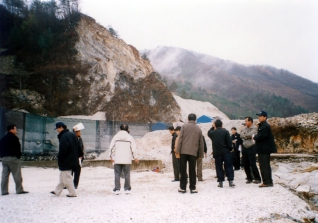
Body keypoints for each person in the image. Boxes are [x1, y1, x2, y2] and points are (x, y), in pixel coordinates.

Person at [175, 113, 204, 194]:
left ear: (188, 119)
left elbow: (180, 138)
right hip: (193, 152)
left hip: (183, 152)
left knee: (183, 170)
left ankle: (183, 188)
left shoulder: (184, 126)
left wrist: (178, 150)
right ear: (195, 119)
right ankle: (192, 188)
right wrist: (200, 154)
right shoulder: (198, 129)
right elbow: (201, 142)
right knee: (192, 170)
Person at [51, 122, 80, 197]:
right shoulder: (72, 135)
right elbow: (77, 146)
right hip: (73, 159)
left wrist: (59, 157)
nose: (57, 130)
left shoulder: (64, 136)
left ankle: (72, 193)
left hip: (66, 160)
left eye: (57, 128)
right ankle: (57, 191)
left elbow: (63, 149)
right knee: (62, 176)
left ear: (61, 127)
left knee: (66, 177)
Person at [110, 124, 139, 195]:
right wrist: (136, 157)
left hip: (117, 159)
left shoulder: (116, 137)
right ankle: (127, 189)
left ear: (120, 129)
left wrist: (111, 157)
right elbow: (133, 149)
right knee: (127, 174)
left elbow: (111, 148)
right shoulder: (130, 137)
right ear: (127, 130)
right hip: (127, 159)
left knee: (117, 174)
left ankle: (117, 189)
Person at [0, 125, 28, 195]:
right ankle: (19, 190)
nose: (16, 131)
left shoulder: (3, 139)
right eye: (15, 129)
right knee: (17, 175)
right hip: (13, 158)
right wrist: (19, 156)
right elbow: (17, 149)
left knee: (5, 175)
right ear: (11, 130)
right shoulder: (15, 138)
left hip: (4, 158)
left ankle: (4, 191)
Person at [208, 119, 235, 188]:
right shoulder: (226, 132)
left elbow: (209, 132)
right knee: (228, 166)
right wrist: (230, 149)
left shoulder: (213, 133)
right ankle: (230, 180)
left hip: (217, 153)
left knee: (219, 167)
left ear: (215, 125)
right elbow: (229, 142)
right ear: (222, 125)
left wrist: (212, 126)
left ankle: (220, 182)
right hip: (226, 152)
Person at [253, 111, 277, 188]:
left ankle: (266, 182)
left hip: (264, 149)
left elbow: (260, 136)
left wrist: (254, 137)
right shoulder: (263, 125)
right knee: (265, 165)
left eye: (260, 116)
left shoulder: (264, 126)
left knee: (264, 166)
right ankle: (268, 181)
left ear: (265, 117)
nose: (259, 117)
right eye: (259, 116)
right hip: (264, 148)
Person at [240, 117, 261, 184]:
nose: (245, 122)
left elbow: (252, 134)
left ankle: (257, 178)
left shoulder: (254, 128)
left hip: (251, 147)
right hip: (245, 147)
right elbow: (241, 135)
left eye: (246, 121)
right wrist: (247, 136)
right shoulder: (245, 128)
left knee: (252, 163)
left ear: (250, 121)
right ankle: (249, 178)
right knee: (245, 164)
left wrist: (246, 136)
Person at [71, 123, 85, 189]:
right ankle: (72, 184)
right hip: (76, 157)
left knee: (75, 171)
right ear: (76, 132)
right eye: (79, 131)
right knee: (74, 171)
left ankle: (74, 184)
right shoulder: (75, 139)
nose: (80, 132)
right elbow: (79, 147)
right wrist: (81, 155)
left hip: (78, 158)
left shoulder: (79, 138)